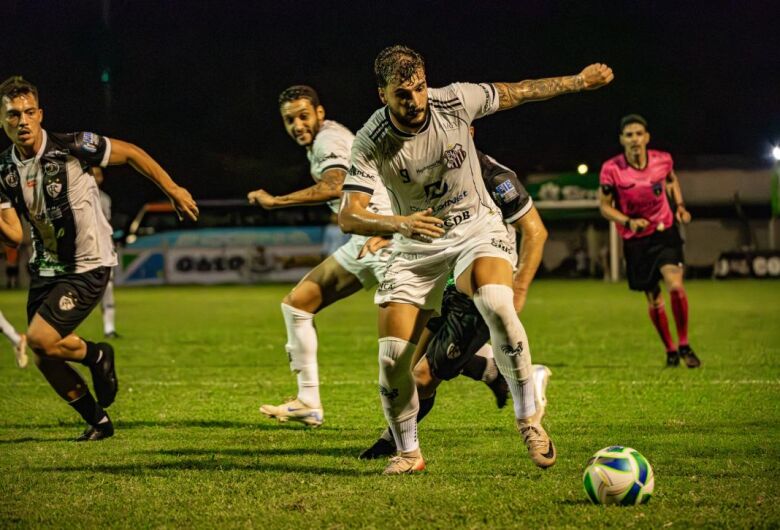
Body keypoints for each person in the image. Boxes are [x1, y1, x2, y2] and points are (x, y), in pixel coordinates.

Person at [339, 45, 613, 474]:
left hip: (475, 228)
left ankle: (529, 420)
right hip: (417, 243)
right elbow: (348, 216)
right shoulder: (371, 140)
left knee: (496, 303)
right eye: (402, 94)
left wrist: (578, 81)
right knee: (393, 361)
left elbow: (521, 91)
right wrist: (399, 224)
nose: (415, 100)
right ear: (382, 95)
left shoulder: (455, 100)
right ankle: (409, 454)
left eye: (419, 88)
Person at [0, 76, 198, 441]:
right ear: (2, 120)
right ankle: (99, 422)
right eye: (13, 114)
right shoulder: (4, 172)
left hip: (89, 263)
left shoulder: (73, 146)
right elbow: (14, 234)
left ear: (40, 114)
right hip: (45, 268)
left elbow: (132, 153)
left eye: (29, 112)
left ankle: (96, 355)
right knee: (44, 355)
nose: (22, 121)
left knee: (40, 338)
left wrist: (172, 189)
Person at [359, 145, 552, 459]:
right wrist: (395, 232)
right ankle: (498, 372)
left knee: (422, 378)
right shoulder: (433, 173)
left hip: (472, 295)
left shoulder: (495, 177)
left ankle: (525, 402)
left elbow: (535, 232)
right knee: (403, 369)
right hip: (439, 283)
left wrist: (518, 289)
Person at [247, 85, 394, 427]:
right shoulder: (323, 140)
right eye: (290, 120)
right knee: (297, 304)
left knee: (419, 341)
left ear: (320, 113)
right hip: (365, 238)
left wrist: (276, 202)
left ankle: (498, 369)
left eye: (303, 116)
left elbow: (334, 185)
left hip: (385, 238)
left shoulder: (328, 140)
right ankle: (308, 402)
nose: (297, 125)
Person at [599, 114, 700, 368]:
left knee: (675, 285)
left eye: (638, 134)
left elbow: (671, 180)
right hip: (636, 241)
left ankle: (685, 344)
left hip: (665, 231)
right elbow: (604, 207)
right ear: (622, 140)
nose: (634, 139)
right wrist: (628, 221)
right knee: (654, 297)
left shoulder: (663, 160)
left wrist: (680, 206)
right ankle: (670, 350)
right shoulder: (611, 169)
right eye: (629, 135)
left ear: (647, 137)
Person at [89, 166, 119, 339]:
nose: (96, 178)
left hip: (104, 247)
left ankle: (109, 329)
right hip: (84, 248)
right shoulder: (75, 195)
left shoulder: (105, 198)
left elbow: (107, 224)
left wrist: (111, 244)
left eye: (99, 174)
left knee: (107, 286)